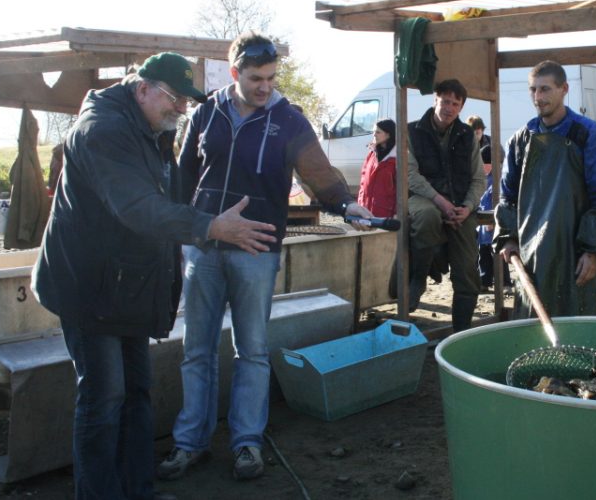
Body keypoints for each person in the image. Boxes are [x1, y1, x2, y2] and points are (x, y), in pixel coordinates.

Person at [31, 52, 277, 500]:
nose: (181, 110)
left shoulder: (148, 125)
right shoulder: (103, 132)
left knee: (136, 392)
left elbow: (166, 193)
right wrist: (208, 225)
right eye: (174, 99)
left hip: (125, 284)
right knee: (104, 400)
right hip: (88, 287)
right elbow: (137, 207)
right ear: (141, 87)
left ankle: (137, 490)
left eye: (186, 101)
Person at [160, 32, 373, 482]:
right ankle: (190, 442)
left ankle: (246, 444)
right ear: (235, 72)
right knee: (195, 349)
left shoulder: (289, 120)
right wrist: (180, 235)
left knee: (252, 350)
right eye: (256, 78)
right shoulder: (204, 113)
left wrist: (345, 203)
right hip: (203, 249)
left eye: (272, 78)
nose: (265, 87)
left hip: (256, 251)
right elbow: (183, 180)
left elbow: (318, 172)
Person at [495, 60, 596, 318]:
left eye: (545, 89)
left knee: (576, 323)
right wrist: (508, 237)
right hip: (530, 255)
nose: (538, 97)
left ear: (564, 89)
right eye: (533, 90)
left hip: (574, 255)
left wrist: (593, 251)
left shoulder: (589, 135)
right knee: (530, 324)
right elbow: (508, 195)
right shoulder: (521, 140)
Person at [406, 79, 485, 331]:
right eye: (445, 101)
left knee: (468, 272)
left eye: (455, 103)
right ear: (435, 99)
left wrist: (468, 207)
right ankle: (418, 277)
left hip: (460, 206)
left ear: (461, 107)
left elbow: (478, 179)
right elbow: (409, 174)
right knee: (428, 215)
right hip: (425, 199)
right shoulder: (411, 131)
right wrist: (440, 201)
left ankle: (459, 334)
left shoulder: (467, 136)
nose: (449, 107)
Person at [477, 144, 511, 289]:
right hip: (482, 225)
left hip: (493, 221)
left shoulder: (498, 179)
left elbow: (495, 199)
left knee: (497, 254)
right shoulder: (483, 177)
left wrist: (492, 219)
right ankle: (484, 281)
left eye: (485, 165)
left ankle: (504, 281)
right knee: (483, 253)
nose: (483, 168)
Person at [357, 119, 397, 217]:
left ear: (388, 134)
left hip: (386, 214)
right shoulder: (371, 155)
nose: (374, 135)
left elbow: (401, 190)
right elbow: (363, 183)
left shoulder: (398, 159)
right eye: (374, 132)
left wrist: (397, 213)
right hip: (366, 212)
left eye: (378, 132)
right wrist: (360, 205)